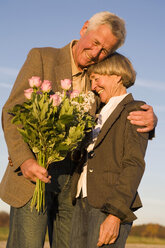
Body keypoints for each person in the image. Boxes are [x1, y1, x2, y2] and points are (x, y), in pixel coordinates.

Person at [0, 11, 156, 248]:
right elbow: (12, 112)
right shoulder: (42, 57)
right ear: (84, 29)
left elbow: (115, 115)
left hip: (73, 186)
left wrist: (150, 120)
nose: (96, 53)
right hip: (35, 174)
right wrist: (25, 161)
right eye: (95, 43)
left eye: (104, 51)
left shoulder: (100, 77)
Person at [70, 52, 149, 248]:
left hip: (109, 206)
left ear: (117, 76)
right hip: (82, 200)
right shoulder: (97, 114)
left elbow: (134, 164)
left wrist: (115, 215)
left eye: (97, 79)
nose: (94, 86)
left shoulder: (134, 110)